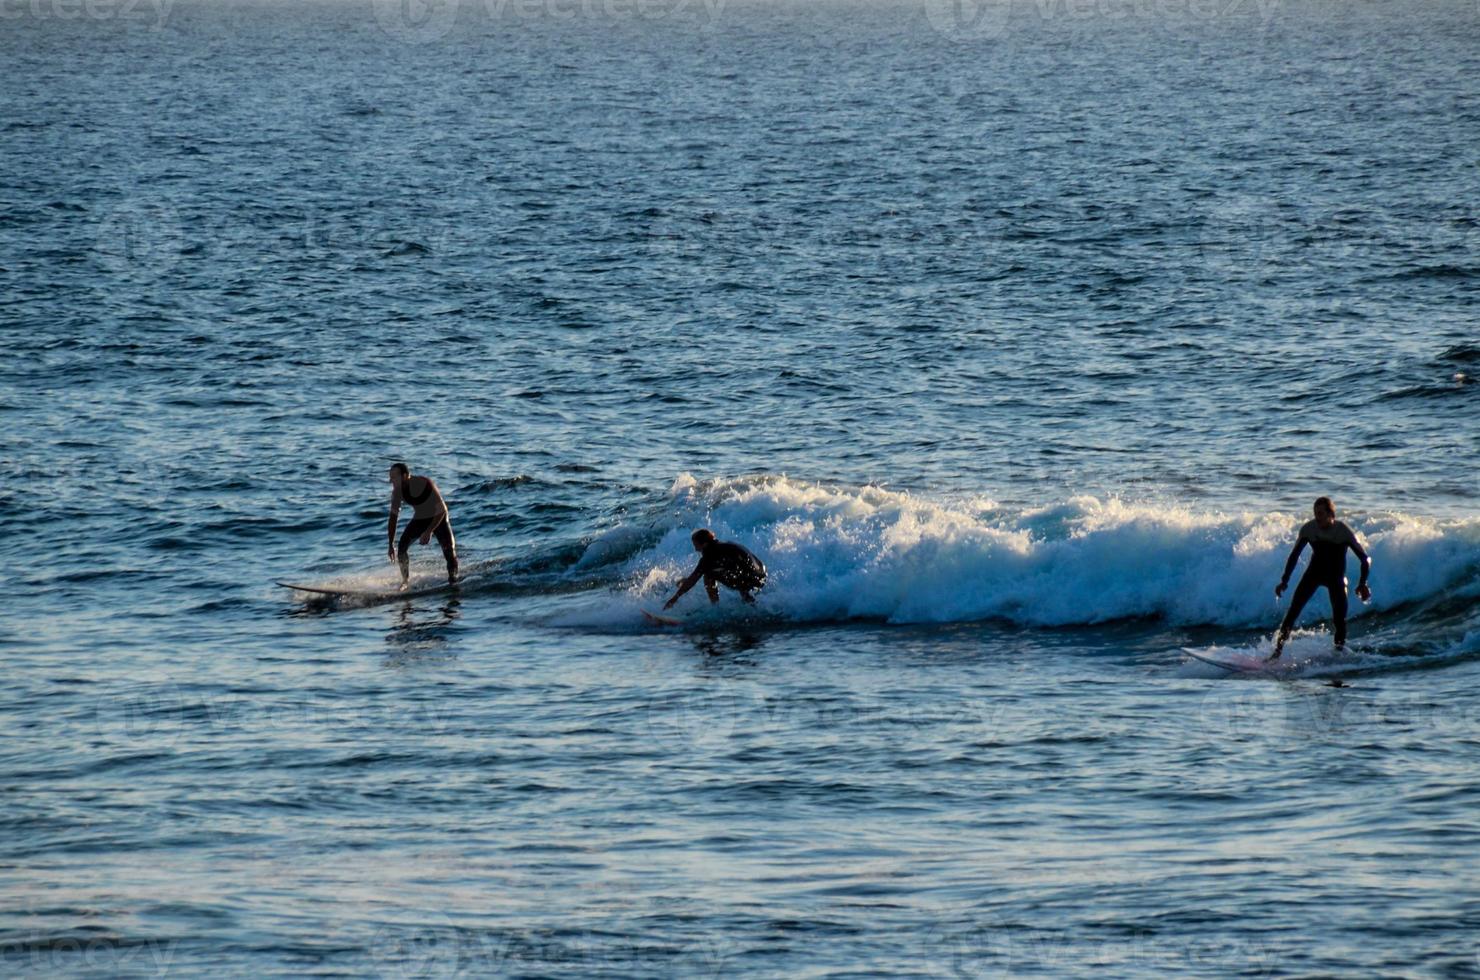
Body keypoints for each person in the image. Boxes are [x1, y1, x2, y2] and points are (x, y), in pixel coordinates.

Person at [1269, 496, 1371, 660]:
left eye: (1321, 514)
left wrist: (1362, 583)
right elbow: (1294, 556)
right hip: (1313, 574)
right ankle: (1276, 654)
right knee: (1292, 612)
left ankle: (1338, 655)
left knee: (1339, 620)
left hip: (1336, 578)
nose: (1318, 518)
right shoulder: (1309, 529)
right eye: (1316, 513)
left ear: (1331, 514)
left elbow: (1365, 559)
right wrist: (1284, 581)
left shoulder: (1343, 531)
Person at [386, 462, 458, 586]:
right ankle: (405, 582)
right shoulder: (397, 492)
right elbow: (393, 519)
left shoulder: (424, 483)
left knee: (449, 550)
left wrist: (429, 531)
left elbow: (442, 510)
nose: (391, 481)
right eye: (390, 478)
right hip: (420, 518)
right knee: (402, 548)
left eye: (394, 478)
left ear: (404, 476)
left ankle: (453, 580)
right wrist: (391, 544)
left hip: (438, 517)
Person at [663, 529, 766, 610]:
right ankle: (752, 604)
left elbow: (694, 579)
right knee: (739, 576)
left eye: (696, 546)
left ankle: (715, 607)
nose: (695, 549)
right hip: (761, 575)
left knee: (708, 575)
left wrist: (674, 598)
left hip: (748, 579)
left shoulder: (708, 557)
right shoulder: (726, 545)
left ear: (704, 544)